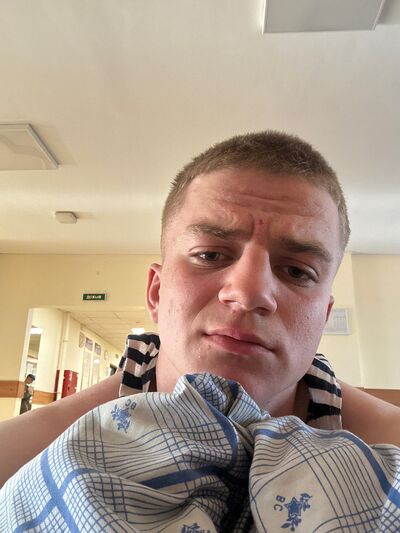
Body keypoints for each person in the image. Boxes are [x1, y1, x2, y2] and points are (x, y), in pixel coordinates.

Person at [1, 132, 400, 530]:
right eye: (209, 255)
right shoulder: (16, 459)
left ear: (324, 316)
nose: (249, 294)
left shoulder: (391, 453)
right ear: (156, 293)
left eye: (297, 271)